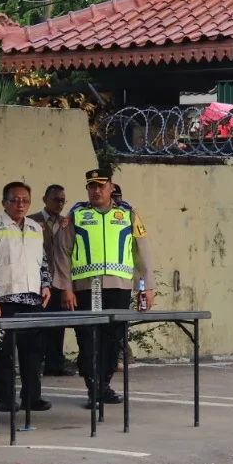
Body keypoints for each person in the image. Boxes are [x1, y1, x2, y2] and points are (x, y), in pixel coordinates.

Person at [53, 168, 153, 407]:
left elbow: (141, 252)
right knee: (88, 339)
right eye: (91, 186)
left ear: (111, 186)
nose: (96, 190)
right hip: (86, 289)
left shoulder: (127, 213)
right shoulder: (77, 214)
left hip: (119, 287)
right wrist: (66, 288)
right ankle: (93, 389)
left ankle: (104, 384)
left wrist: (146, 287)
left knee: (113, 338)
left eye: (101, 185)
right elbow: (62, 253)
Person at [0, 182, 52, 412]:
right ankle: (5, 399)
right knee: (4, 354)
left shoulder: (35, 227)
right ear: (4, 202)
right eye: (15, 199)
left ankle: (32, 397)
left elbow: (42, 261)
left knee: (33, 353)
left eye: (25, 200)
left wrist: (46, 285)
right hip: (4, 300)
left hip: (33, 299)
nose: (20, 204)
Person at [29, 184, 73, 376]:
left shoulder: (67, 222)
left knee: (58, 324)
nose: (59, 204)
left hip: (60, 281)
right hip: (37, 281)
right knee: (38, 326)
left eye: (63, 200)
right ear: (45, 199)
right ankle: (35, 364)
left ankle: (55, 365)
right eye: (56, 199)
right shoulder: (31, 221)